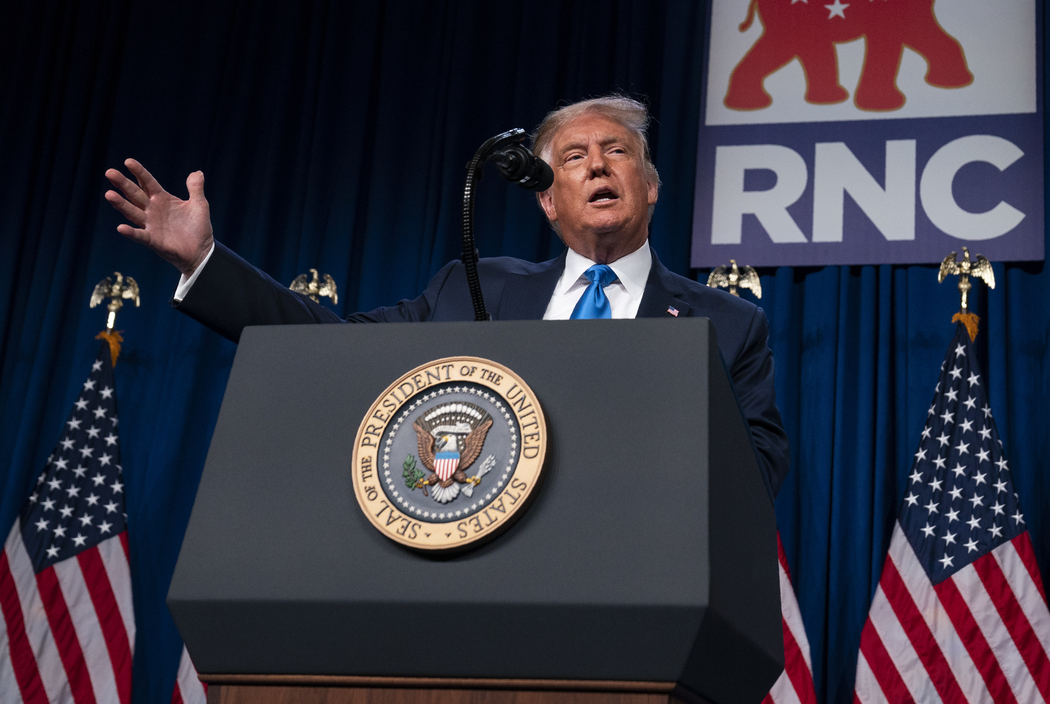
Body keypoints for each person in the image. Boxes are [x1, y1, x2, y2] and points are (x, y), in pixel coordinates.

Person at [105, 96, 788, 498]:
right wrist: (206, 262)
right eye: (574, 157)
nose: (599, 165)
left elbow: (754, 480)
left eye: (617, 151)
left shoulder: (728, 323)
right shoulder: (471, 287)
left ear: (653, 185)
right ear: (547, 199)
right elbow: (328, 342)